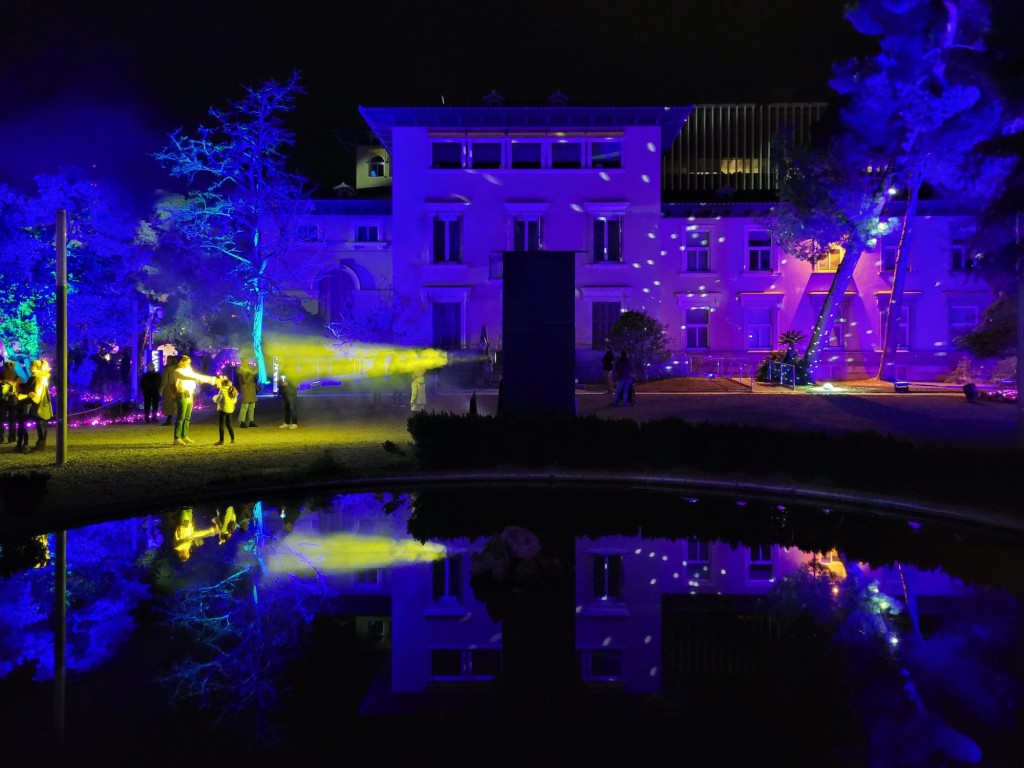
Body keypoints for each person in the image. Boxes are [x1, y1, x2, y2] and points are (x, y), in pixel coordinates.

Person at [172, 354, 219, 446]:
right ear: (182, 362)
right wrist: (196, 378)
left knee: (187, 416)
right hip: (182, 393)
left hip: (190, 394)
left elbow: (197, 376)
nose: (189, 363)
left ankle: (184, 435)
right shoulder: (177, 371)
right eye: (187, 361)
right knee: (181, 416)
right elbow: (186, 377)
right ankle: (177, 438)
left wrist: (212, 380)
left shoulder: (188, 370)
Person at [22, 359, 52, 450]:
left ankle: (40, 444)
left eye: (31, 366)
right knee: (42, 422)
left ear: (35, 366)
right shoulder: (43, 376)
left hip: (38, 403)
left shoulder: (36, 377)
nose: (29, 368)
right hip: (44, 403)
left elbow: (35, 393)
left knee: (40, 422)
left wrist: (28, 395)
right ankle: (41, 442)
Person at [212, 375, 238, 445]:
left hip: (223, 409)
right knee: (229, 424)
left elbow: (218, 400)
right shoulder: (233, 390)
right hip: (230, 409)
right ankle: (233, 439)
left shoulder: (222, 390)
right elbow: (234, 401)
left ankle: (221, 440)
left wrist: (214, 398)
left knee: (221, 425)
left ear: (223, 384)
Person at [1, 360, 22, 444]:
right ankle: (12, 438)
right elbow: (20, 390)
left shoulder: (2, 376)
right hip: (13, 401)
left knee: (1, 419)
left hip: (3, 400)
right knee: (12, 420)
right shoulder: (17, 377)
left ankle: (0, 438)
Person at [237, 360, 260, 428]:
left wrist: (255, 374)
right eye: (246, 361)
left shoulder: (248, 369)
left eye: (247, 361)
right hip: (246, 389)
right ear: (242, 362)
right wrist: (252, 374)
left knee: (252, 406)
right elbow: (245, 381)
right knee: (245, 406)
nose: (247, 363)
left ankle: (251, 421)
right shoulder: (241, 371)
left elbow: (254, 380)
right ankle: (242, 422)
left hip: (251, 389)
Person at [160, 356, 178, 426]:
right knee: (175, 404)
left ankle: (169, 420)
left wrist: (161, 390)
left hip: (168, 389)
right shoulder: (177, 369)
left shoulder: (167, 369)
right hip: (176, 388)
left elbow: (165, 381)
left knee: (169, 405)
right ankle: (177, 420)